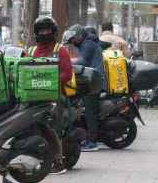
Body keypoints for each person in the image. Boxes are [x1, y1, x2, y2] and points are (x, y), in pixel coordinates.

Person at [28, 17, 73, 174]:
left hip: (54, 96)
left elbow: (67, 74)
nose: (44, 33)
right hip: (33, 97)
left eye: (47, 30)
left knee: (52, 127)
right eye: (41, 31)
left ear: (53, 32)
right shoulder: (31, 51)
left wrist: (48, 81)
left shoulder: (60, 50)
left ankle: (58, 160)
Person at [66, 24, 104, 152]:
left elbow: (83, 61)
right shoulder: (88, 43)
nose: (72, 42)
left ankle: (92, 142)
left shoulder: (87, 44)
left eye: (73, 40)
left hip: (93, 83)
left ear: (79, 36)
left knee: (90, 112)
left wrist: (66, 62)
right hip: (93, 80)